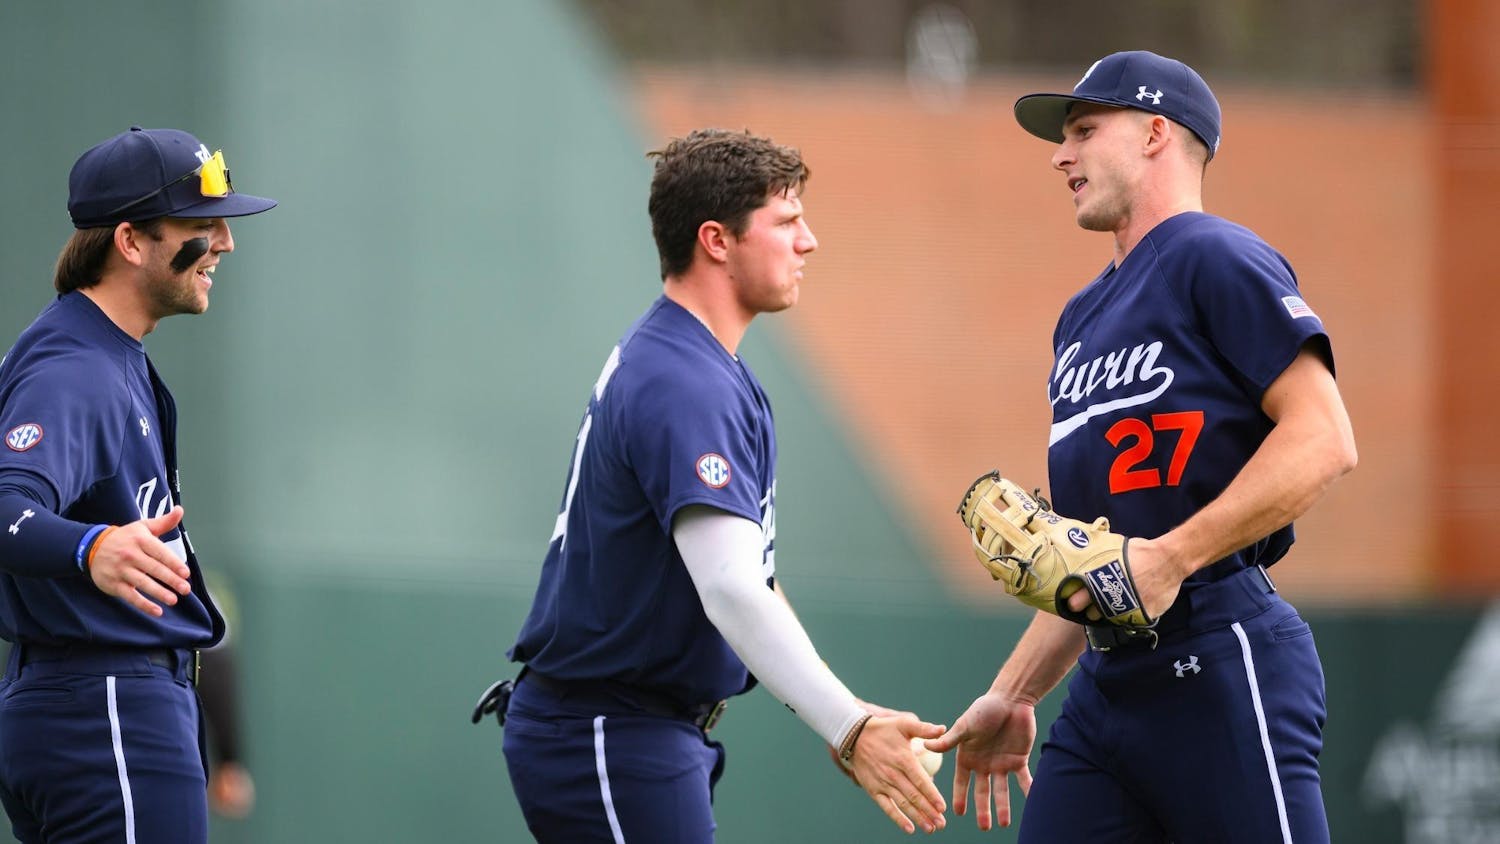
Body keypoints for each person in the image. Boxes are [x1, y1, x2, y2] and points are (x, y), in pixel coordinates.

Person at [927, 51, 1358, 843]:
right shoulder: (1080, 319)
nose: (1062, 154)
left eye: (1086, 130)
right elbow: (1097, 557)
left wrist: (1172, 557)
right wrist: (1016, 691)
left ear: (1157, 132)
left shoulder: (1213, 256)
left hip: (1220, 651)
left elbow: (1324, 438)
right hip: (1108, 684)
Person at [491, 128, 948, 841]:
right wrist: (851, 726)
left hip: (637, 731)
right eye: (787, 221)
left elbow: (753, 581)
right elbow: (732, 589)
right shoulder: (685, 381)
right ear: (717, 239)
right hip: (609, 731)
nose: (809, 242)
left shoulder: (701, 365)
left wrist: (841, 714)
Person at [0, 126, 276, 843]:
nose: (225, 242)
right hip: (106, 707)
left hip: (92, 702)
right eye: (198, 225)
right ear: (129, 241)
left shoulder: (103, 353)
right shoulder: (78, 368)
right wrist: (90, 547)